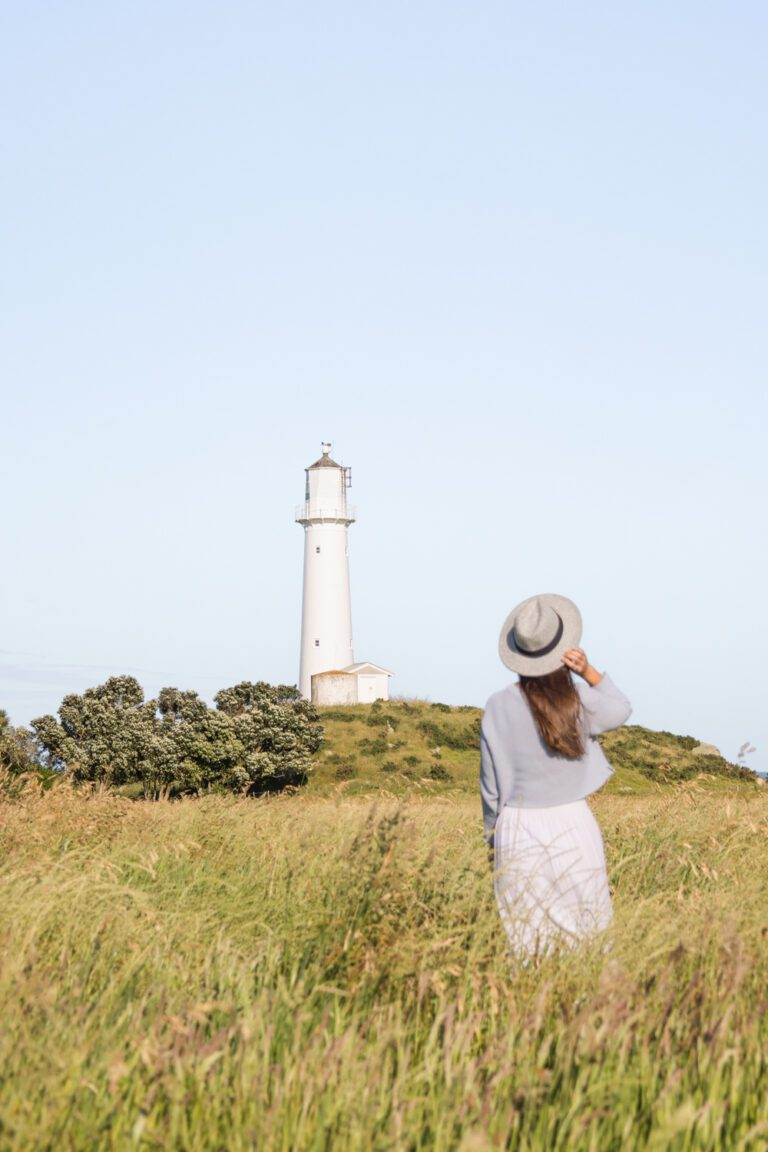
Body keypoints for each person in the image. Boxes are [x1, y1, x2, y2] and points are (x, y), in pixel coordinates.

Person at [480, 593, 631, 958]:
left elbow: (490, 786)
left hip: (516, 826)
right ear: (562, 650)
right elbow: (621, 709)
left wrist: (491, 839)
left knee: (527, 939)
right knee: (589, 932)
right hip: (572, 821)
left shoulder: (497, 705)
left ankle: (533, 1011)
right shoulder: (576, 700)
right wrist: (588, 672)